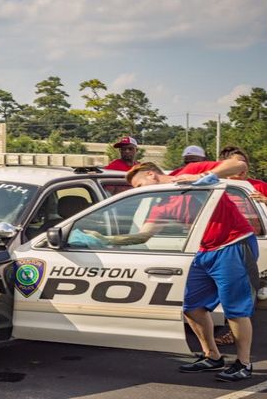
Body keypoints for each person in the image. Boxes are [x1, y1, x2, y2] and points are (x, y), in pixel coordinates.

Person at [90, 159, 256, 382]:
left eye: (138, 186)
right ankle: (212, 356)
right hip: (205, 250)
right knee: (192, 306)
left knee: (235, 309)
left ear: (151, 174)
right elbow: (143, 235)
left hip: (234, 244)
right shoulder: (162, 205)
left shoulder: (189, 171)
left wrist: (205, 175)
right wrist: (106, 240)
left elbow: (238, 164)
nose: (139, 192)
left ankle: (243, 363)